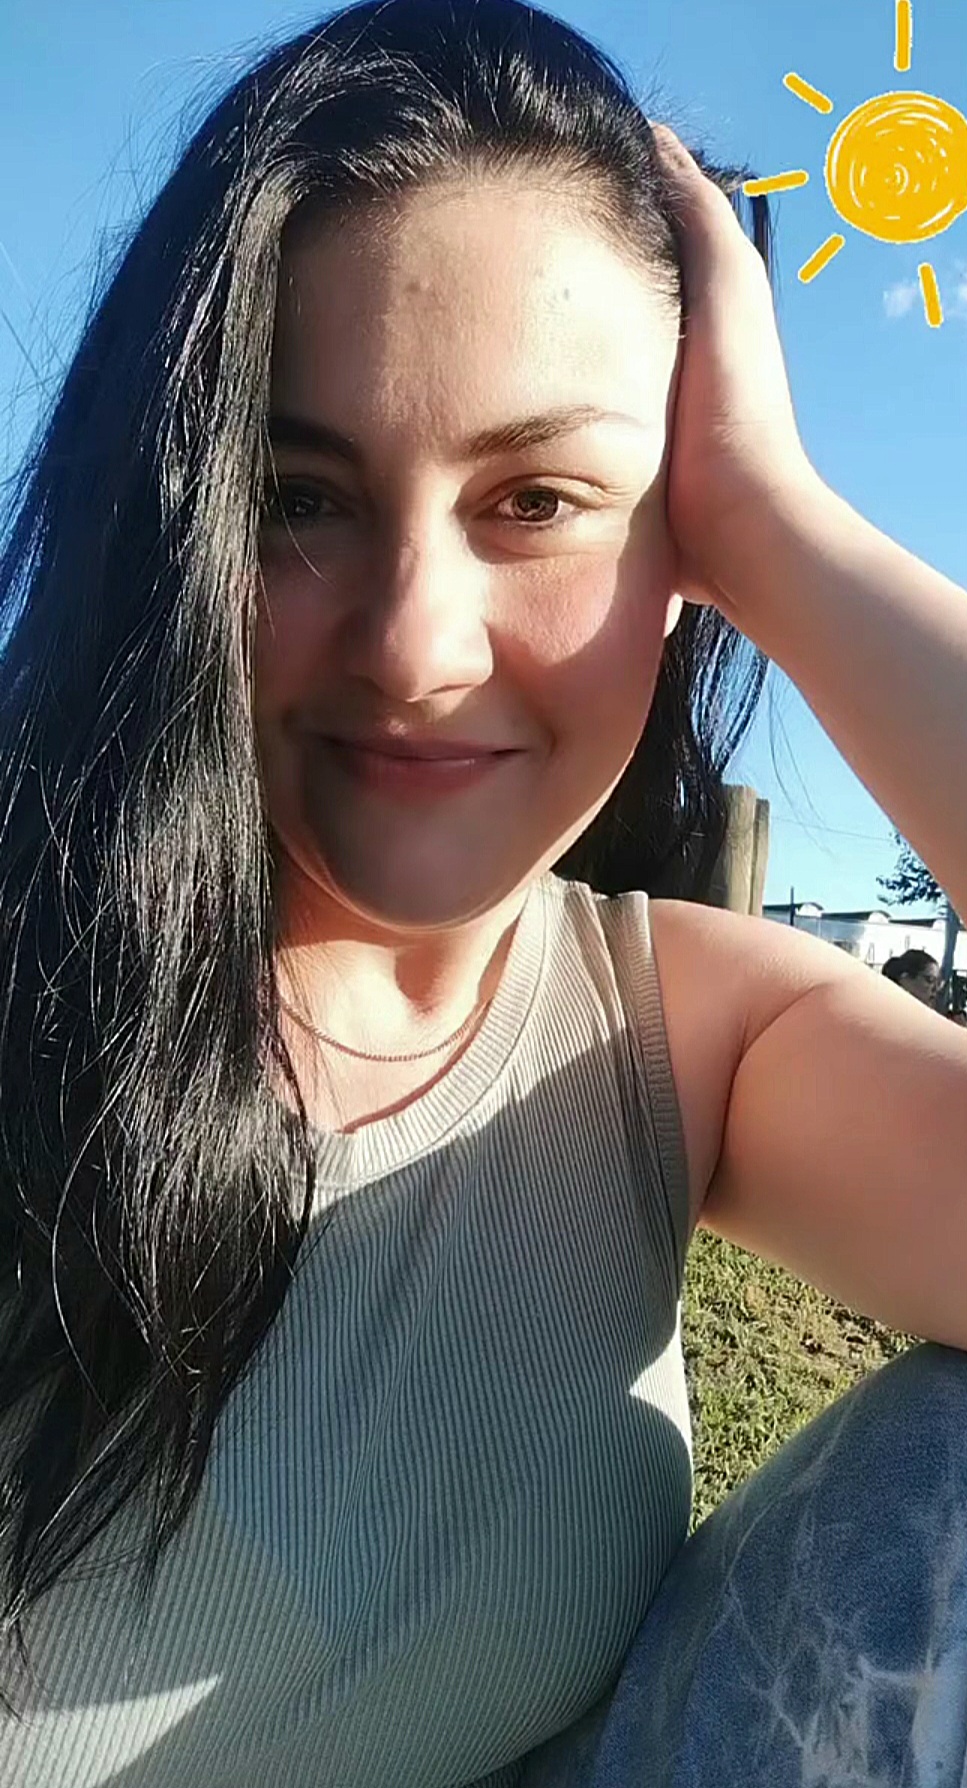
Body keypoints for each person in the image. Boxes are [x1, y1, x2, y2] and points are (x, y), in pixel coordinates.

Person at [0, 2, 965, 1783]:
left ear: (679, 548)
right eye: (298, 498)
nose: (415, 647)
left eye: (537, 500)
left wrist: (781, 526)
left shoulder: (685, 1038)